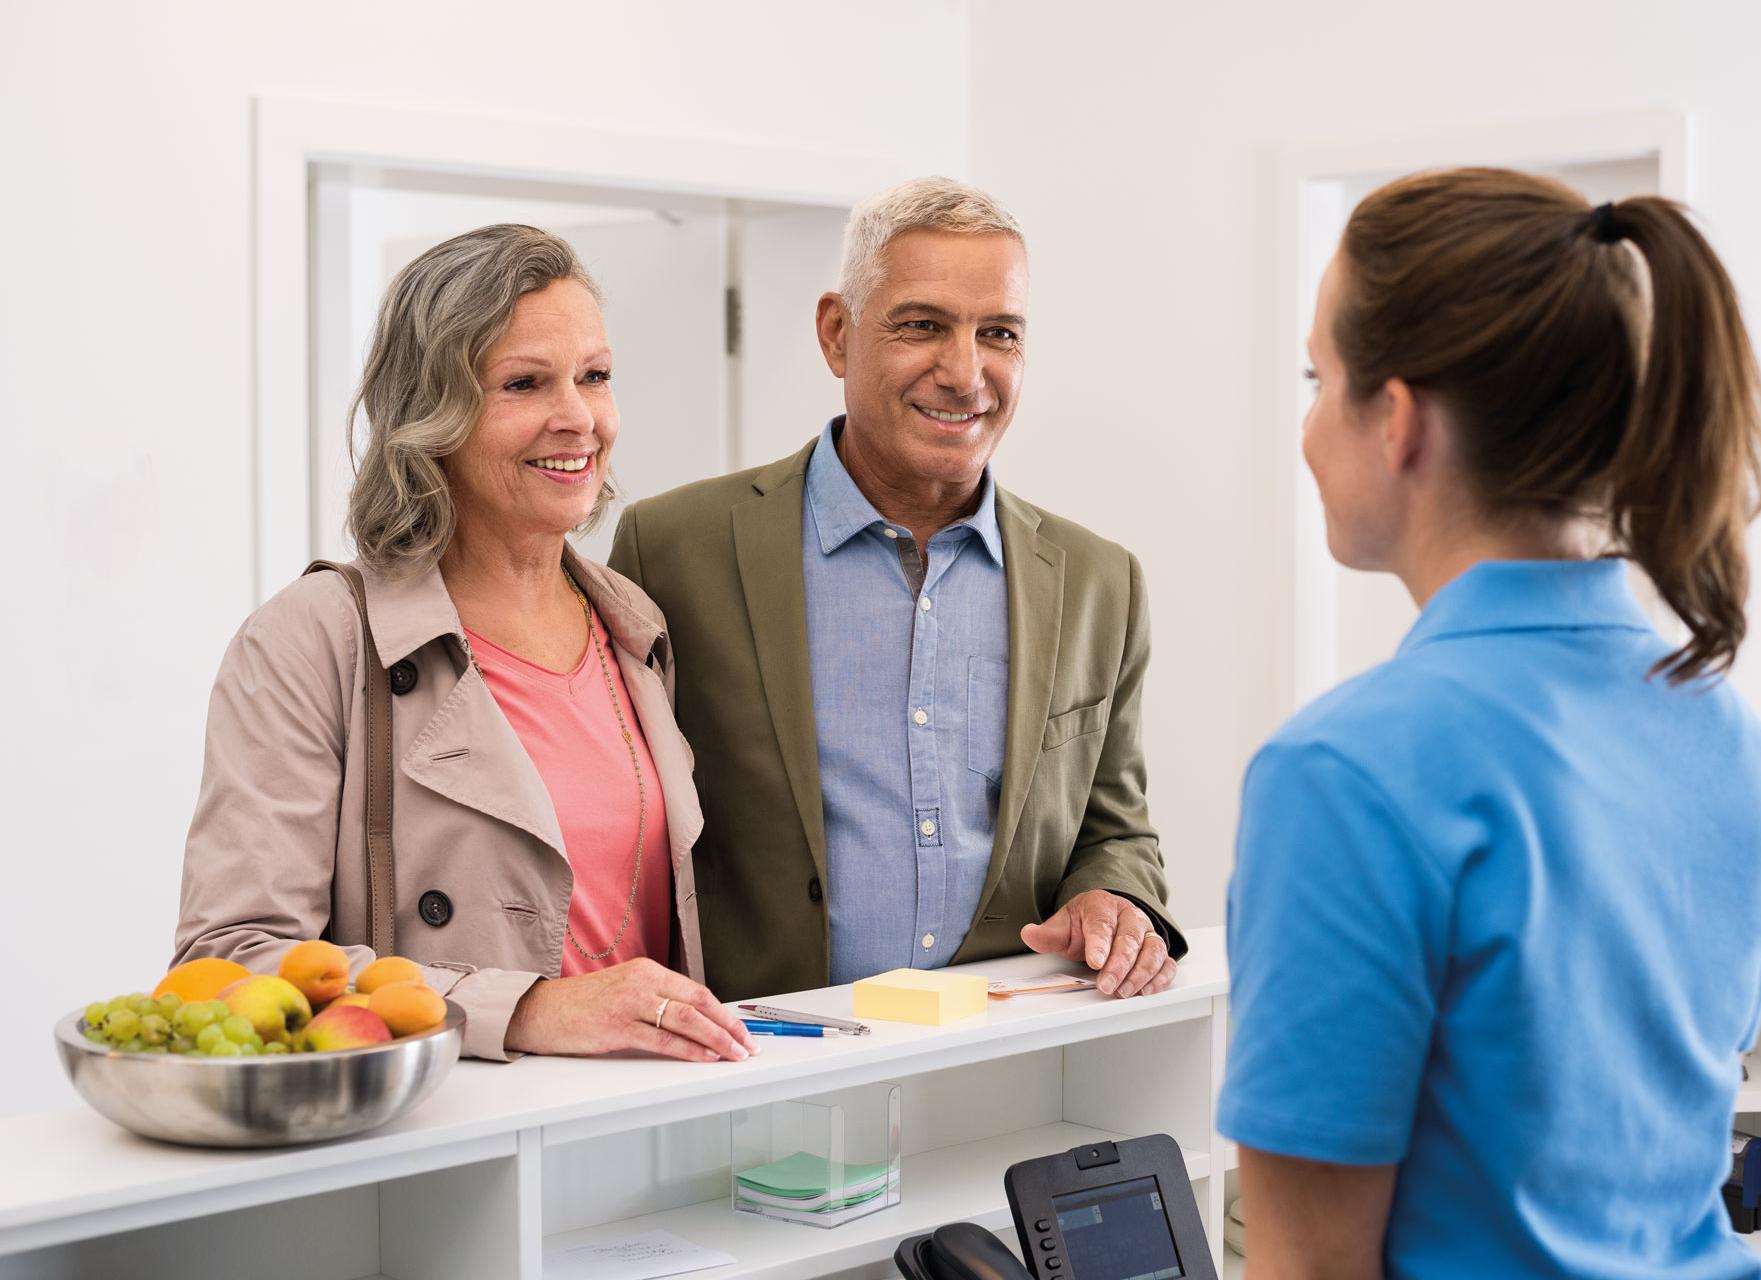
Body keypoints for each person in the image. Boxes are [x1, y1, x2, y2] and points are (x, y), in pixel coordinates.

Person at [1218, 170, 1761, 1278]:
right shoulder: (1736, 744)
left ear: (1396, 420)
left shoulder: (1342, 774)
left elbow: (1309, 1264)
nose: (1305, 427)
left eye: (1319, 377)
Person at [174, 224, 753, 1065]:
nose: (579, 418)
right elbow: (228, 958)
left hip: (649, 1127)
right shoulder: (312, 640)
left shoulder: (635, 625)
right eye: (524, 383)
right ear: (430, 416)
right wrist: (524, 1010)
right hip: (444, 1135)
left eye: (595, 377)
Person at [608, 177, 1183, 1002]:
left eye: (1000, 333)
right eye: (922, 326)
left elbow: (1116, 830)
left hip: (1003, 1067)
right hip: (758, 1071)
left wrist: (1115, 897)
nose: (965, 371)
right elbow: (621, 830)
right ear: (837, 335)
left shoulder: (1101, 582)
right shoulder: (673, 550)